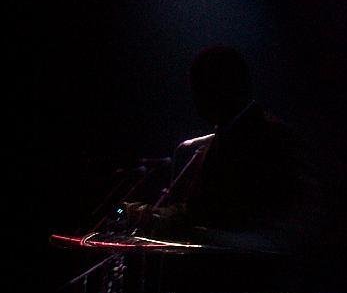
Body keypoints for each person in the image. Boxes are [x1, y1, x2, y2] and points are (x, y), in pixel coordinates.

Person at [127, 46, 320, 255]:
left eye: (202, 87)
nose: (196, 98)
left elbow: (222, 212)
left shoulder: (271, 137)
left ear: (228, 86)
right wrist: (154, 216)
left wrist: (155, 218)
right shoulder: (229, 135)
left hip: (249, 265)